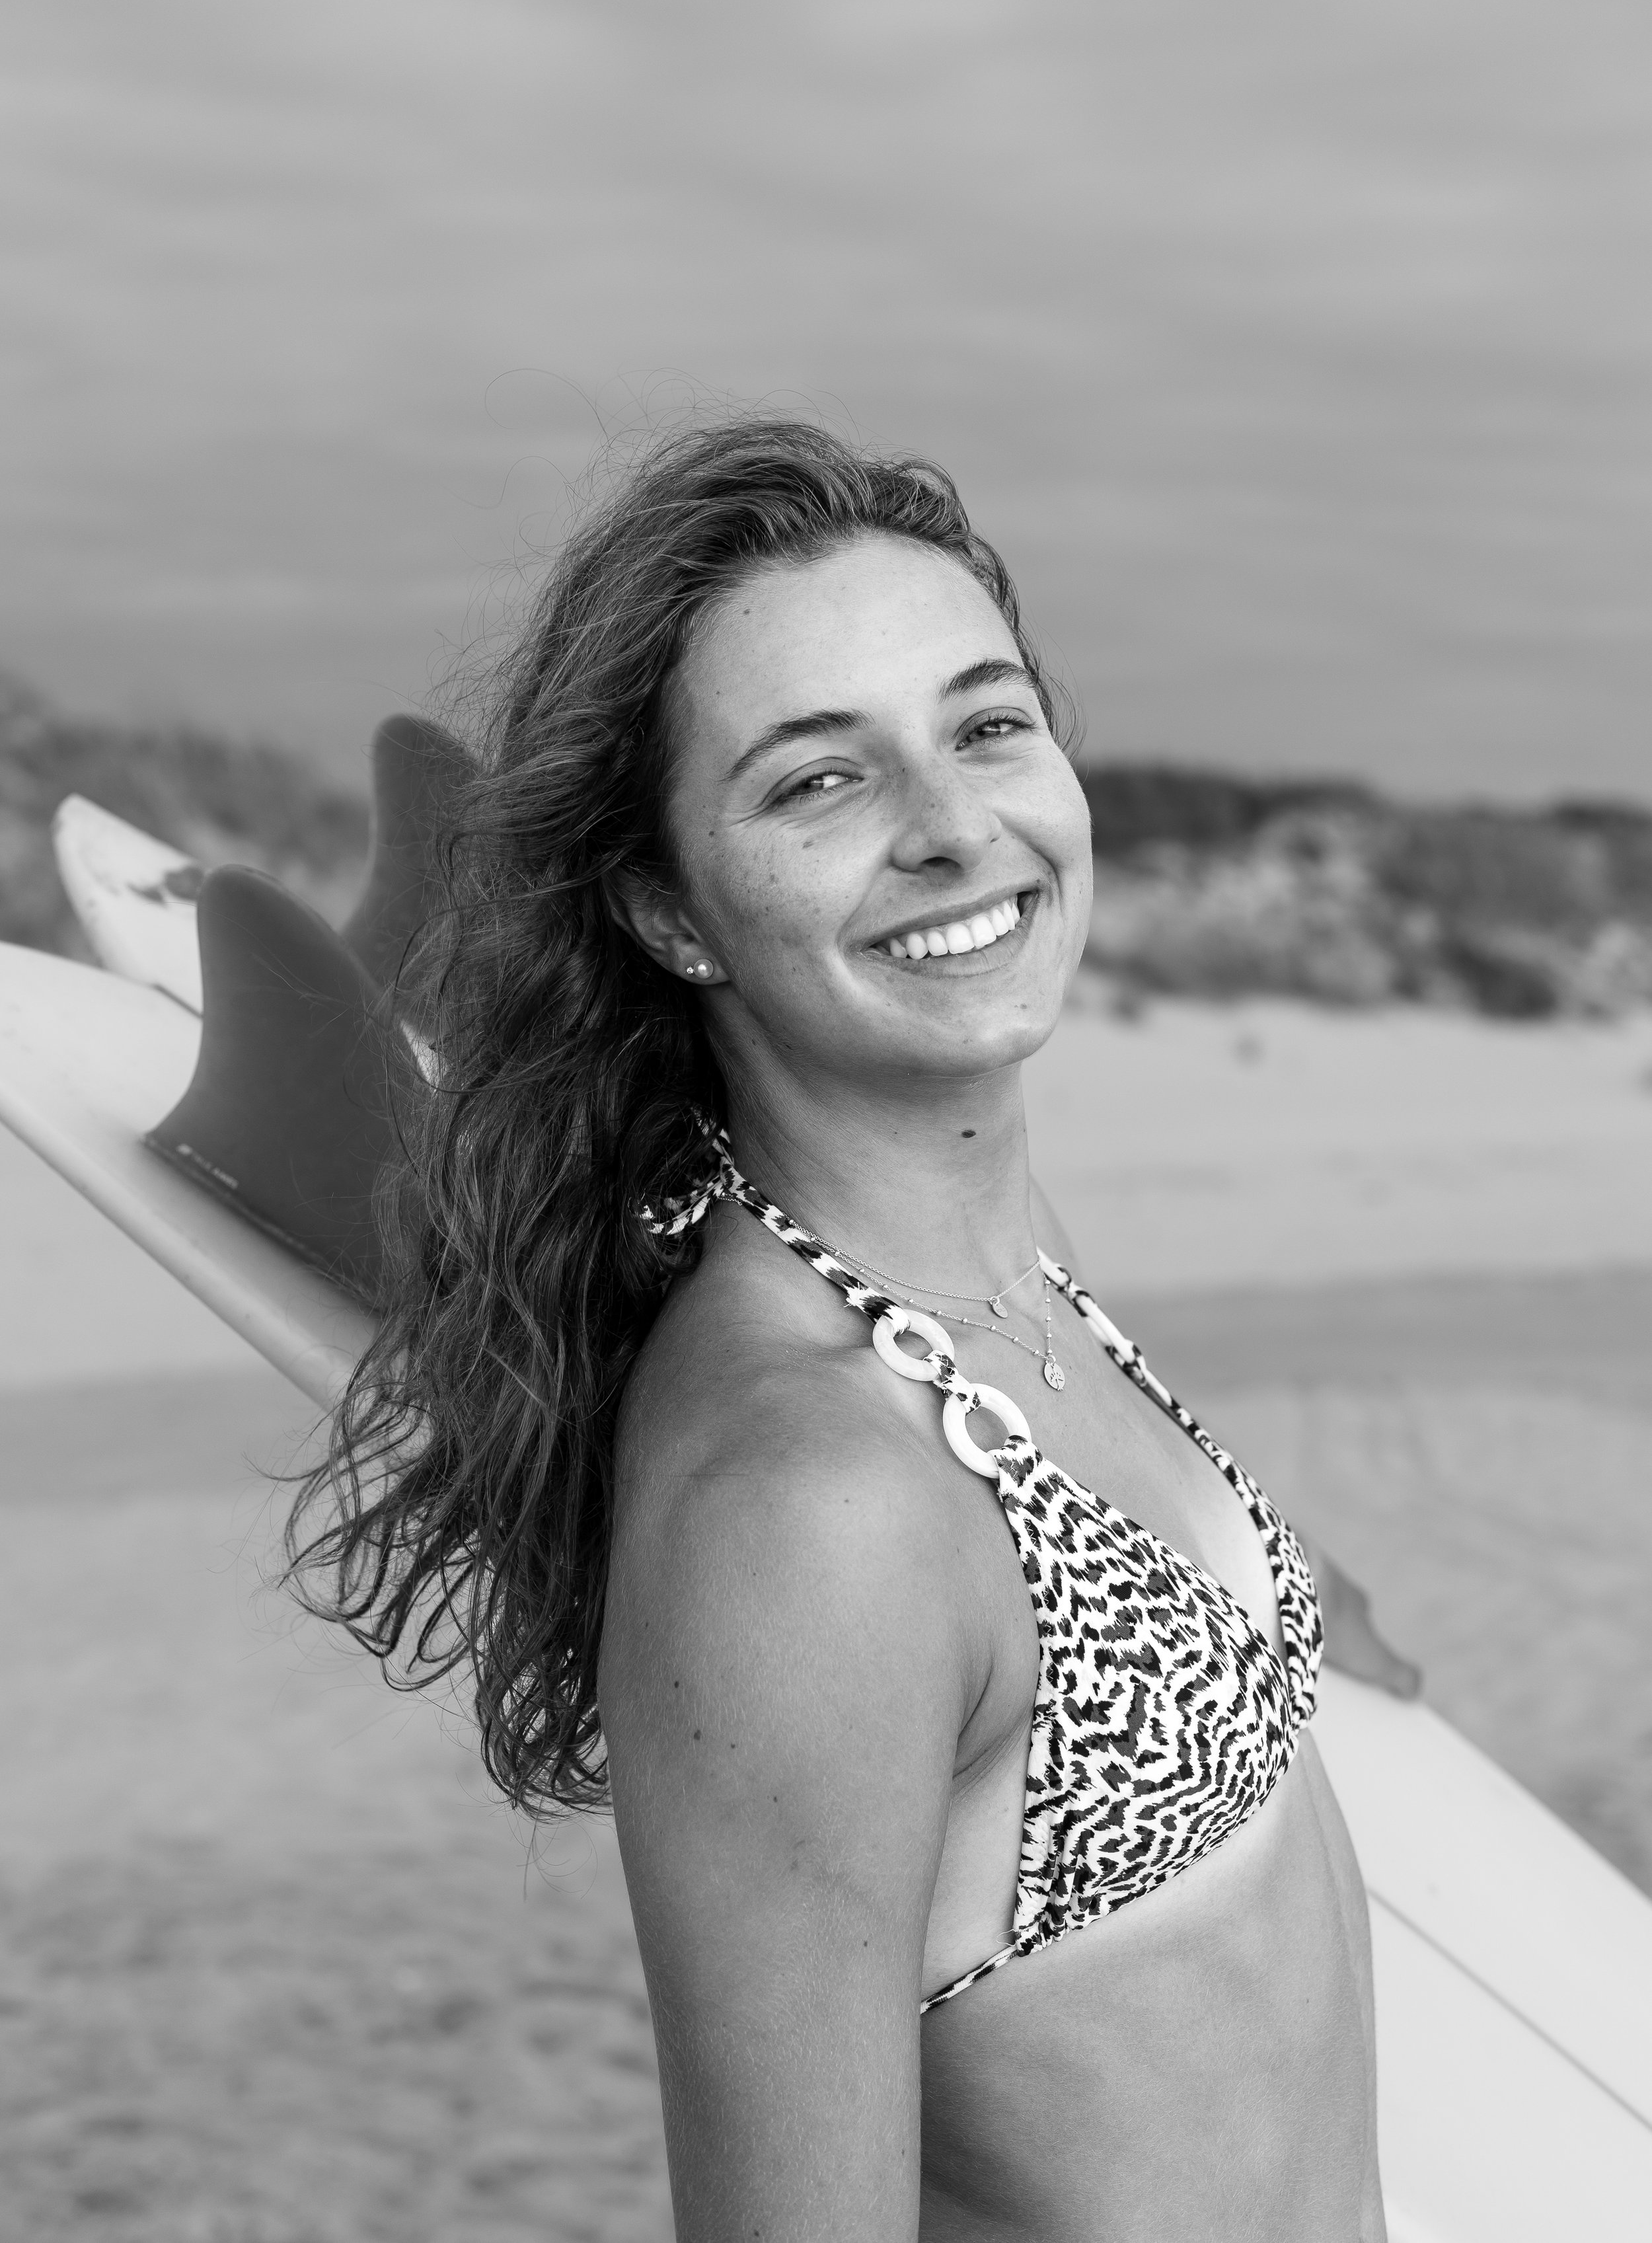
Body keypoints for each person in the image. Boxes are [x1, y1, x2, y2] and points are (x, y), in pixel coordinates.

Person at [289, 418, 1413, 2240]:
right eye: (819, 782)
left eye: (984, 725)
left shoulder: (966, 1266)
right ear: (671, 909)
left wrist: (1264, 1576)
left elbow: (1042, 1638)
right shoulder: (808, 1508)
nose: (955, 825)